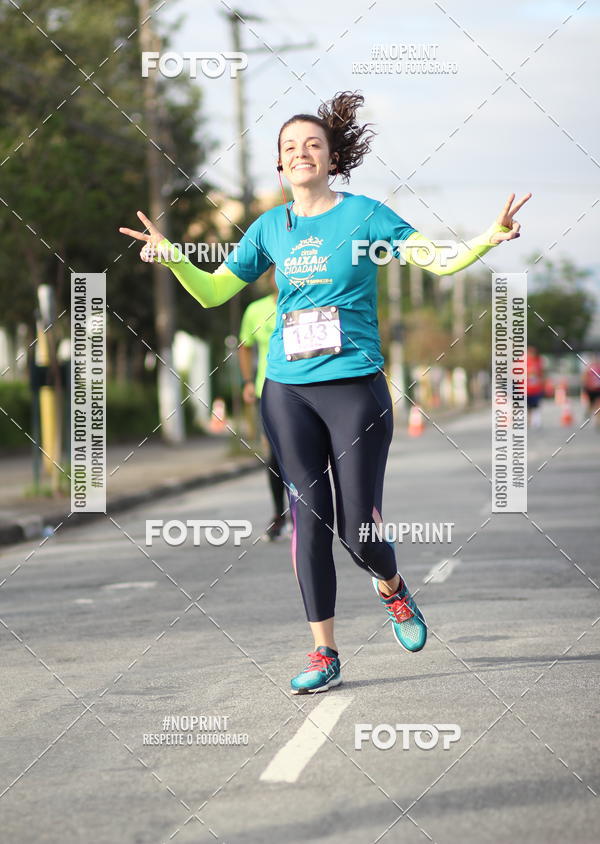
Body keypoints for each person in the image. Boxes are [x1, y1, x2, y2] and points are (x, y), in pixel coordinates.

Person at [120, 90, 531, 694]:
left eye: (313, 144)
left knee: (357, 531)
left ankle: (391, 588)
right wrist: (173, 256)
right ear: (279, 165)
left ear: (332, 158)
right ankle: (324, 652)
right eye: (290, 147)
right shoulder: (268, 228)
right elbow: (212, 292)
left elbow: (436, 261)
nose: (302, 153)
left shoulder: (366, 217)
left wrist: (486, 240)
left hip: (355, 391)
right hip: (287, 390)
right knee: (306, 519)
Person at [238, 267, 287, 541]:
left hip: (303, 388)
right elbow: (244, 345)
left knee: (303, 454)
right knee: (275, 456)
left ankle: (308, 512)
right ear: (270, 280)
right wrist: (247, 380)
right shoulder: (255, 310)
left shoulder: (307, 302)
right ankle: (279, 514)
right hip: (265, 389)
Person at [526, 345, 545, 428]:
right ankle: (528, 421)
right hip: (525, 389)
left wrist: (542, 383)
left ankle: (536, 421)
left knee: (535, 406)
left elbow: (541, 374)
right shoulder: (523, 362)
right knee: (527, 406)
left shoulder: (538, 361)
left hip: (536, 389)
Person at [582, 354, 600, 428]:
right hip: (591, 390)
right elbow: (584, 377)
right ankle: (588, 411)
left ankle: (598, 423)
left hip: (598, 390)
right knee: (592, 405)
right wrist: (585, 387)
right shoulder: (589, 368)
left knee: (598, 406)